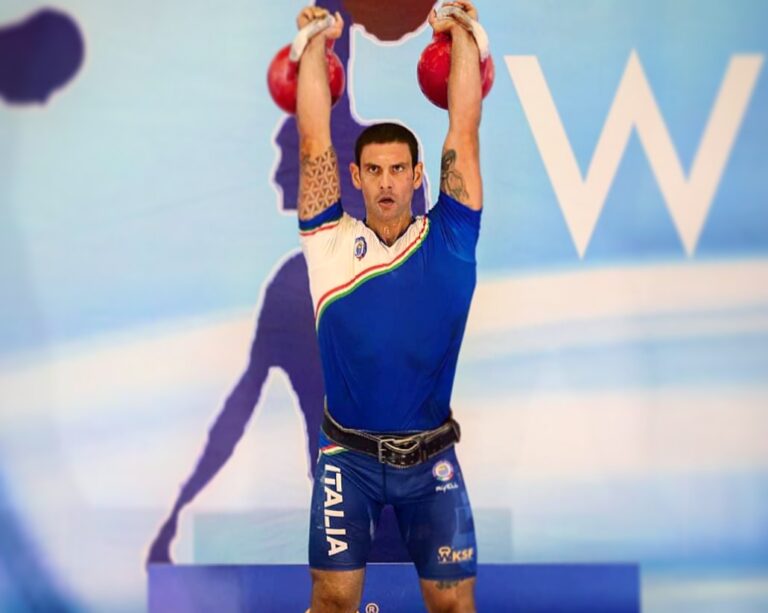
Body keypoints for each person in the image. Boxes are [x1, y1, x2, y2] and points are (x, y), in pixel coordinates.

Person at [295, 2, 484, 611]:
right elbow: (313, 141)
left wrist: (460, 31)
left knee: (453, 605)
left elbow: (464, 131)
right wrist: (314, 44)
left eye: (398, 169)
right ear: (355, 176)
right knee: (332, 601)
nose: (385, 182)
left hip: (431, 463)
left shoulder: (451, 237)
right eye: (373, 170)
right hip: (346, 461)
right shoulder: (329, 244)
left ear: (418, 174)